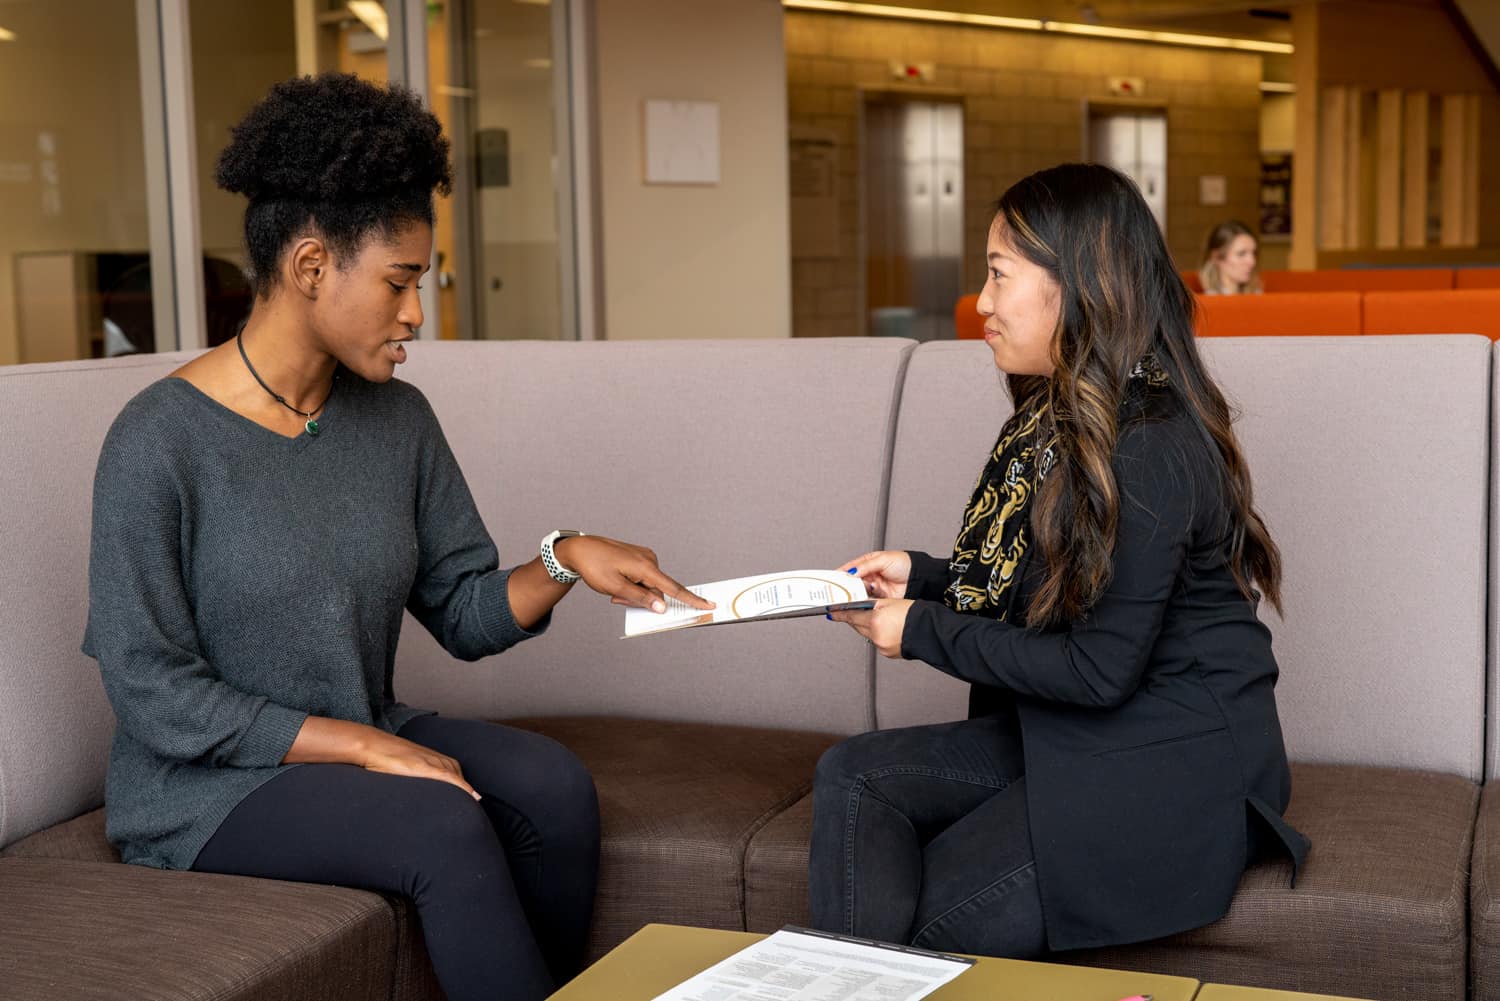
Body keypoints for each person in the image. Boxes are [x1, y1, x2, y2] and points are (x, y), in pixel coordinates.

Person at [82, 74, 712, 1001]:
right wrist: (362, 745)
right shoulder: (158, 440)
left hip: (361, 732)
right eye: (400, 282)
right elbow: (150, 690)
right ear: (309, 267)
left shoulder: (396, 419)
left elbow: (461, 609)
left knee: (554, 786)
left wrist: (565, 557)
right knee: (438, 823)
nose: (417, 313)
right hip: (202, 789)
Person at [817, 163, 1308, 958]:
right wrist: (928, 576)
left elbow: (1097, 669)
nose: (980, 302)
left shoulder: (1149, 444)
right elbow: (1057, 578)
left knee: (930, 927)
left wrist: (921, 630)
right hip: (1084, 731)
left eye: (999, 275)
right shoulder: (1066, 419)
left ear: (1077, 284)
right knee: (851, 774)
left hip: (1170, 757)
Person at [1199, 220, 1262, 294]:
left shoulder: (1256, 294)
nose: (1252, 261)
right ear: (1217, 257)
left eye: (1253, 253)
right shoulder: (1207, 302)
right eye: (1241, 253)